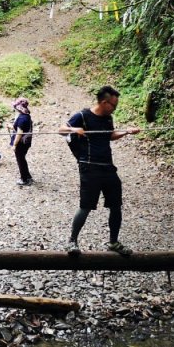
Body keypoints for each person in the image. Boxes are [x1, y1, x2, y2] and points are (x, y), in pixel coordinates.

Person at [60, 85, 140, 255]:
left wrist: (126, 132)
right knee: (86, 206)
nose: (114, 109)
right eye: (114, 105)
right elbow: (61, 129)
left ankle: (113, 242)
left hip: (108, 167)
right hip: (89, 167)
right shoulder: (83, 115)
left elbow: (109, 135)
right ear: (104, 102)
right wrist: (75, 129)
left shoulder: (108, 118)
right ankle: (72, 241)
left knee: (116, 205)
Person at [10, 97, 34, 185]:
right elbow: (22, 128)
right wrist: (11, 127)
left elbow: (19, 133)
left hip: (21, 144)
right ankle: (28, 176)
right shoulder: (27, 116)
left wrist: (14, 145)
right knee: (22, 159)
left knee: (20, 160)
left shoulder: (21, 118)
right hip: (26, 142)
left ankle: (24, 179)